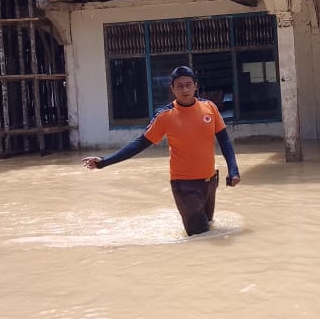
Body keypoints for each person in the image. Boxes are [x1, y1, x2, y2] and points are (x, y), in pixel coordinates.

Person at [82, 65, 240, 236]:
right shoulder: (165, 116)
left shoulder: (209, 107)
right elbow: (139, 144)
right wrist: (104, 162)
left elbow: (224, 140)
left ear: (196, 86)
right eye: (179, 86)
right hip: (184, 185)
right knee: (201, 235)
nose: (185, 89)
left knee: (209, 228)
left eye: (188, 84)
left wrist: (233, 170)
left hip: (210, 181)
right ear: (172, 89)